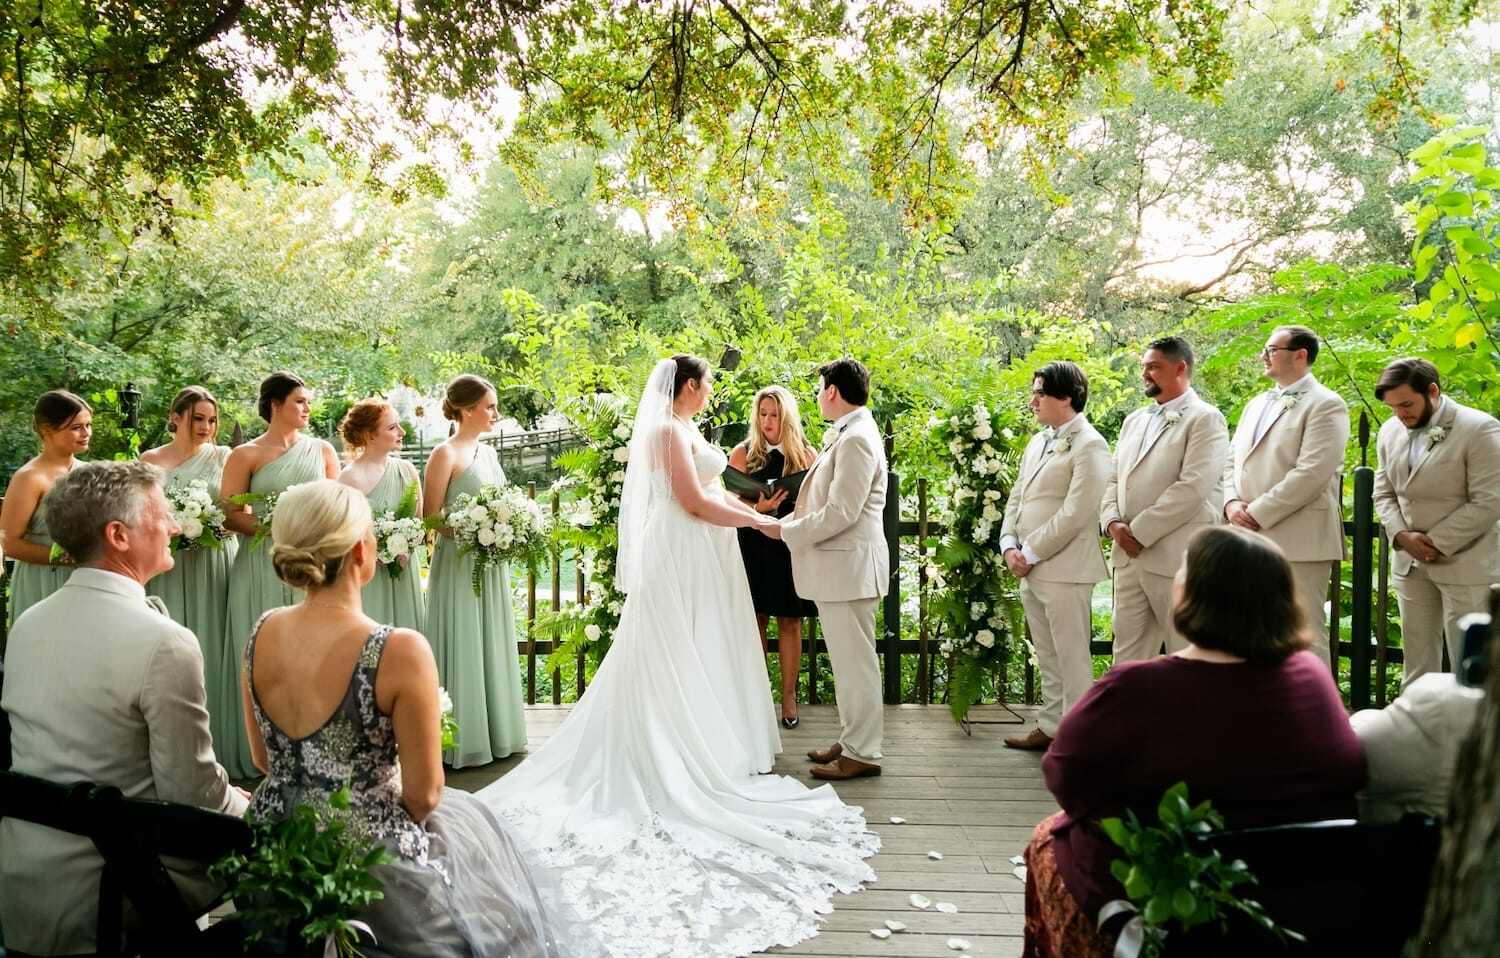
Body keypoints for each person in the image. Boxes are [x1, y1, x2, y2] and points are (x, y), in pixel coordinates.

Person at [478, 356, 878, 958]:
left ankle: (711, 738)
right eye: (707, 383)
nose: (712, 390)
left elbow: (714, 488)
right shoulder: (666, 430)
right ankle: (671, 745)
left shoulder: (688, 431)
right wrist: (758, 523)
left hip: (707, 550)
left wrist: (753, 514)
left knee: (705, 645)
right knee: (674, 643)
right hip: (683, 548)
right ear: (688, 387)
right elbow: (692, 500)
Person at [243, 480, 596, 957]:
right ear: (363, 550)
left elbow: (263, 759)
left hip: (276, 850)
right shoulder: (397, 649)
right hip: (365, 862)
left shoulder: (261, 631)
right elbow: (424, 794)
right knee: (489, 884)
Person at [1023, 526, 1366, 957]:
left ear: (1191, 594)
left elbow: (1064, 775)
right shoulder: (1312, 678)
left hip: (1177, 909)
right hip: (1302, 900)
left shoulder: (1136, 686)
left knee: (1048, 839)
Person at [0, 461, 249, 957]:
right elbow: (193, 795)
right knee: (296, 860)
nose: (176, 526)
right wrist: (251, 806)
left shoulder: (28, 622)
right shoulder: (163, 643)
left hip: (23, 886)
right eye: (163, 514)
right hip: (115, 887)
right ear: (118, 535)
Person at [220, 371, 340, 779]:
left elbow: (337, 506)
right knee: (262, 658)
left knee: (314, 655)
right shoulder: (245, 455)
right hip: (259, 566)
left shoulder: (323, 450)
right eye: (300, 402)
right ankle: (261, 756)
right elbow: (230, 515)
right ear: (275, 405)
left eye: (308, 402)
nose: (307, 409)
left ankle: (319, 750)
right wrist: (277, 530)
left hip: (312, 565)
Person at [777, 358, 890, 779]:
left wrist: (790, 530)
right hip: (841, 571)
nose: (818, 396)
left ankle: (862, 752)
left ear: (832, 391)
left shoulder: (857, 438)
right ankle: (852, 738)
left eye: (820, 388)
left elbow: (843, 511)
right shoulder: (849, 433)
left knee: (856, 663)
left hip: (850, 570)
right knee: (847, 663)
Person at [1222, 325, 1350, 665]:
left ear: (1301, 355)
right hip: (1246, 535)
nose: (1264, 355)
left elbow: (1312, 472)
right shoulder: (1255, 404)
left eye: (1271, 349)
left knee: (1301, 629)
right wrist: (1232, 503)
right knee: (1250, 629)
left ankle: (1314, 713)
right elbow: (1230, 461)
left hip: (1299, 539)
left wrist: (1257, 513)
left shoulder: (1326, 404)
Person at [1000, 361, 1111, 752]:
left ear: (1066, 397)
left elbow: (1078, 512)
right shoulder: (1038, 441)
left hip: (1066, 569)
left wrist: (1030, 551)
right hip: (1031, 567)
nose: (1033, 400)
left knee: (1072, 657)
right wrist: (1009, 543)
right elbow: (1019, 495)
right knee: (1046, 654)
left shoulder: (1091, 445)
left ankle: (1079, 738)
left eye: (1040, 392)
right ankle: (1050, 726)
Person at [1372, 357, 1500, 687]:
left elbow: (1489, 500)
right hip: (1409, 565)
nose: (1400, 414)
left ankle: (1471, 738)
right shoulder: (1389, 431)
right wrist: (1401, 535)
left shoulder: (1479, 428)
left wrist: (1434, 542)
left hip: (1466, 563)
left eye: (1406, 404)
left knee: (1469, 666)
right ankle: (1416, 732)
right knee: (1416, 662)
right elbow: (1383, 492)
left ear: (1432, 391)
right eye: (1392, 408)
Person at [1101, 337, 1228, 661]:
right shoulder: (1134, 421)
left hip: (1176, 558)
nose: (1145, 374)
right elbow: (1114, 478)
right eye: (1144, 367)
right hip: (1128, 558)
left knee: (1185, 652)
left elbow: (1193, 487)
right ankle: (1129, 713)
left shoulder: (1206, 419)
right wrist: (1113, 523)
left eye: (1154, 367)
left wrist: (1139, 533)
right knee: (1126, 656)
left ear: (1180, 368)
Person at [422, 375, 526, 768]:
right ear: (466, 410)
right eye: (489, 407)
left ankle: (499, 731)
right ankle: (460, 737)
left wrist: (506, 528)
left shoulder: (489, 453)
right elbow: (430, 518)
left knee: (492, 640)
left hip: (489, 563)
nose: (495, 414)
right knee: (463, 638)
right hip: (459, 563)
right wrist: (474, 530)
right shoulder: (443, 455)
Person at [141, 386, 240, 756]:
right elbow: (143, 512)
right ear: (176, 417)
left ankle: (220, 739)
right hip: (169, 564)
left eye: (212, 420)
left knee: (213, 642)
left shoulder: (224, 457)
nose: (206, 427)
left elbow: (234, 514)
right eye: (198, 418)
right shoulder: (151, 460)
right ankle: (172, 742)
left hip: (214, 562)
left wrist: (211, 524)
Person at [728, 385, 819, 729]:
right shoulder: (743, 453)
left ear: (787, 417)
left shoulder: (806, 455)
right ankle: (757, 699)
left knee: (790, 622)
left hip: (789, 544)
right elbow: (729, 500)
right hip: (753, 543)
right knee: (756, 621)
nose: (767, 421)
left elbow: (817, 500)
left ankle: (789, 698)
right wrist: (757, 507)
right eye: (763, 414)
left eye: (774, 414)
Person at [1, 390, 91, 630]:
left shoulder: (89, 471)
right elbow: (9, 542)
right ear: (46, 430)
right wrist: (66, 557)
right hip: (43, 581)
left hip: (85, 579)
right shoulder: (29, 478)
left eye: (88, 425)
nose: (86, 433)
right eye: (75, 427)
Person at [338, 398, 426, 633]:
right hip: (369, 575)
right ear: (370, 436)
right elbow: (344, 534)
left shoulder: (407, 470)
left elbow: (420, 521)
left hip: (405, 570)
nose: (402, 431)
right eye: (392, 427)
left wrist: (405, 543)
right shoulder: (349, 478)